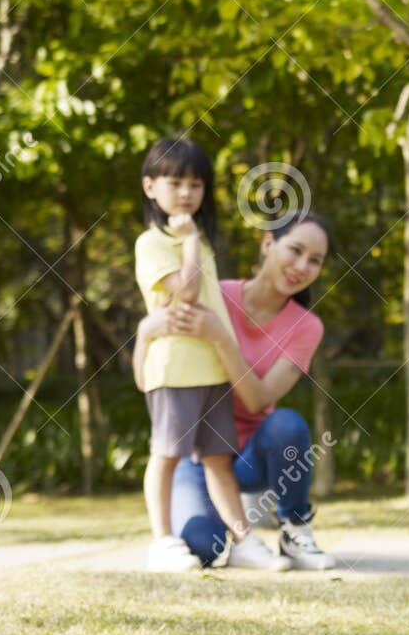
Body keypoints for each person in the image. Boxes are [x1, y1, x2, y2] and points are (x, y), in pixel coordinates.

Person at [135, 210, 337, 571]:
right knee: (202, 547)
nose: (302, 266)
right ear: (268, 243)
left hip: (249, 456)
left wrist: (219, 336)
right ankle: (230, 525)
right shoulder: (218, 295)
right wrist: (146, 331)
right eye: (295, 250)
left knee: (287, 426)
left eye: (315, 261)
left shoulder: (308, 326)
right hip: (199, 454)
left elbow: (259, 399)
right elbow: (163, 342)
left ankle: (295, 529)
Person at [134, 137, 289, 573]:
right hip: (174, 369)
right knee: (166, 454)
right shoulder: (153, 242)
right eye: (176, 181)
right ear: (151, 187)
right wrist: (187, 243)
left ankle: (243, 539)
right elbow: (182, 290)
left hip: (212, 369)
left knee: (219, 459)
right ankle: (161, 542)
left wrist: (191, 243)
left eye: (196, 184)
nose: (186, 192)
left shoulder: (197, 243)